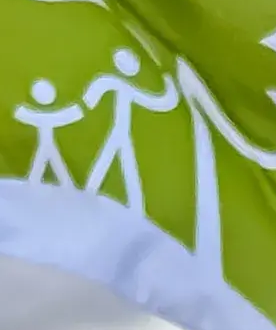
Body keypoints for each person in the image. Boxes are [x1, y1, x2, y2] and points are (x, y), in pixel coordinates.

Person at [82, 48, 179, 214]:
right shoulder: (112, 82)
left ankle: (130, 203)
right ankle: (97, 194)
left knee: (119, 163)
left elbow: (159, 101)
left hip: (121, 133)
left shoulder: (127, 88)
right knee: (115, 162)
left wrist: (170, 85)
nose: (133, 66)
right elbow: (93, 94)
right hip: (118, 132)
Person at [13, 78, 86, 188]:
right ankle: (64, 182)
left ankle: (62, 182)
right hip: (46, 143)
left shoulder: (39, 117)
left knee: (48, 156)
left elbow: (23, 114)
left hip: (47, 143)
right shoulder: (46, 117)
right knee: (48, 156)